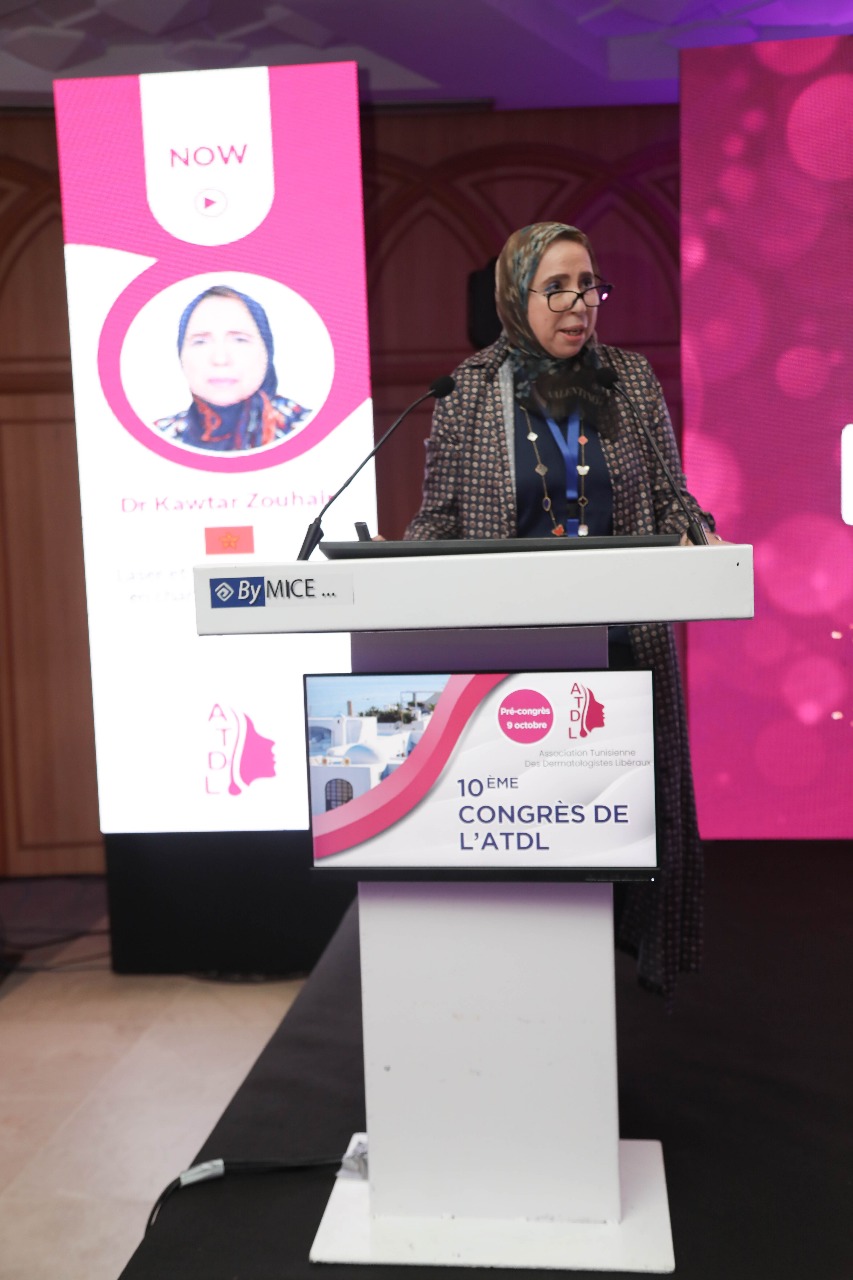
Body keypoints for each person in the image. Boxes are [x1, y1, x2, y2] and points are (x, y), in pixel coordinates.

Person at [405, 221, 721, 1003]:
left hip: (624, 648)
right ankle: (521, 996)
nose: (579, 305)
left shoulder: (628, 378)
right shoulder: (468, 388)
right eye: (556, 289)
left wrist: (700, 533)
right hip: (511, 665)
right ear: (515, 296)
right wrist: (390, 563)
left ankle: (596, 992)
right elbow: (439, 520)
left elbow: (672, 495)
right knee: (533, 844)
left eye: (589, 287)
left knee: (626, 831)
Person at [155, 285, 310, 451]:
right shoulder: (157, 438)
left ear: (267, 351)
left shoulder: (308, 432)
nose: (220, 359)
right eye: (200, 341)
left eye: (240, 340)